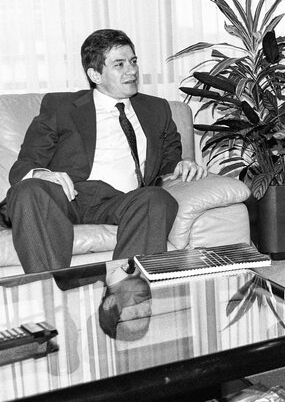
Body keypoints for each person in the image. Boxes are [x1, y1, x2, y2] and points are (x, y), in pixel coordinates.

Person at [3, 29, 208, 274]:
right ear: (95, 74)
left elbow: (170, 159)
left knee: (157, 198)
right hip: (67, 197)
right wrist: (41, 174)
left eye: (133, 62)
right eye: (119, 64)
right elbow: (23, 166)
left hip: (120, 201)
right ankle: (51, 288)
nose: (131, 71)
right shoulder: (61, 107)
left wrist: (182, 164)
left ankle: (124, 292)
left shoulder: (157, 109)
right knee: (29, 189)